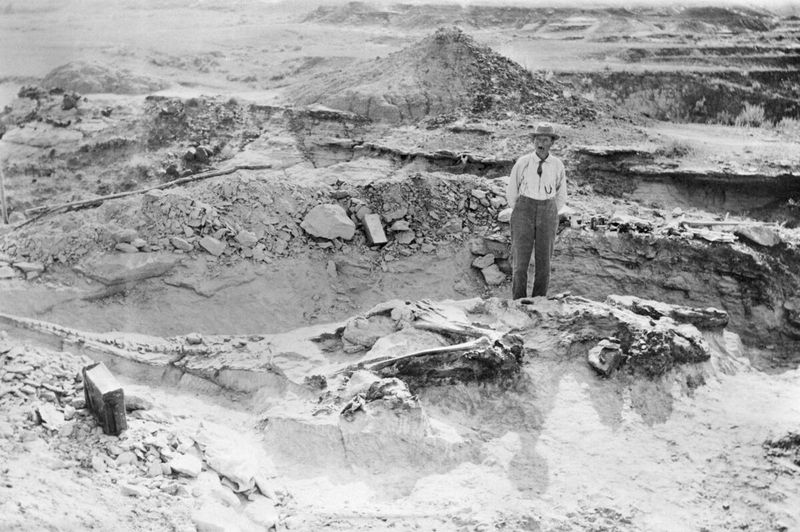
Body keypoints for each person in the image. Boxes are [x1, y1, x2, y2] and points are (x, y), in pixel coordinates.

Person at [505, 123, 567, 299]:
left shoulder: (557, 165)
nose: (541, 143)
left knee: (544, 261)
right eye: (538, 139)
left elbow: (561, 193)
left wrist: (552, 209)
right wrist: (518, 209)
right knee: (520, 260)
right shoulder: (523, 162)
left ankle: (539, 300)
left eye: (545, 139)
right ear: (533, 141)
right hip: (524, 210)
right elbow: (512, 189)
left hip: (547, 210)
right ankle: (518, 300)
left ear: (551, 143)